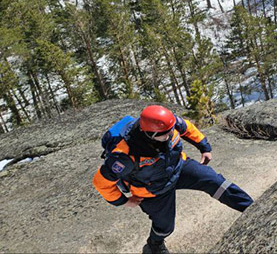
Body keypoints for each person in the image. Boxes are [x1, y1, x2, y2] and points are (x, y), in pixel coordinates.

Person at [92, 105, 253, 254]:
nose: (171, 135)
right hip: (152, 190)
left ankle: (251, 208)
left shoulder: (167, 124)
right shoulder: (124, 154)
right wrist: (124, 201)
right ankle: (154, 246)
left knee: (216, 182)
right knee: (165, 226)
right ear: (149, 134)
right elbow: (101, 182)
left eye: (171, 131)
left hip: (178, 167)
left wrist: (204, 147)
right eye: (165, 135)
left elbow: (187, 127)